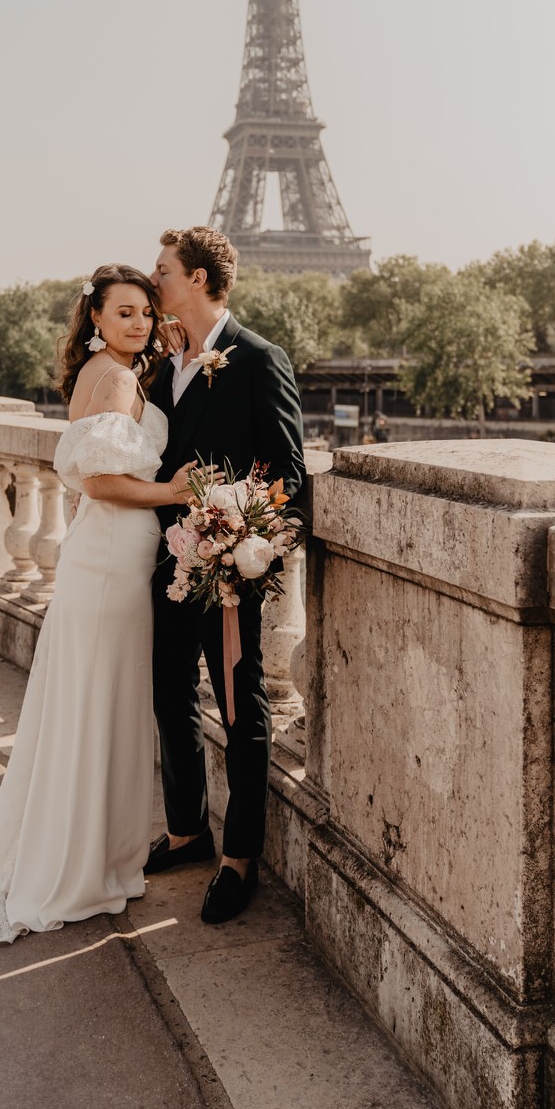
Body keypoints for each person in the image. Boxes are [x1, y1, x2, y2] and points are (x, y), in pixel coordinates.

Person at [0, 265, 199, 949]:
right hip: (112, 561)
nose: (139, 323)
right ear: (97, 319)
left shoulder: (108, 372)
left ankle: (88, 852)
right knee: (102, 704)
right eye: (125, 313)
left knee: (94, 705)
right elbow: (103, 482)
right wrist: (175, 494)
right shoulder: (112, 378)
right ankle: (84, 865)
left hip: (104, 559)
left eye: (146, 311)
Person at [146, 227, 305, 924]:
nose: (154, 284)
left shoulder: (261, 359)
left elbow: (290, 474)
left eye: (163, 272)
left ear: (202, 280)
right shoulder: (162, 366)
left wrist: (243, 539)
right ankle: (187, 831)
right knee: (169, 696)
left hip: (227, 570)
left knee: (243, 708)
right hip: (164, 559)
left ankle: (238, 855)